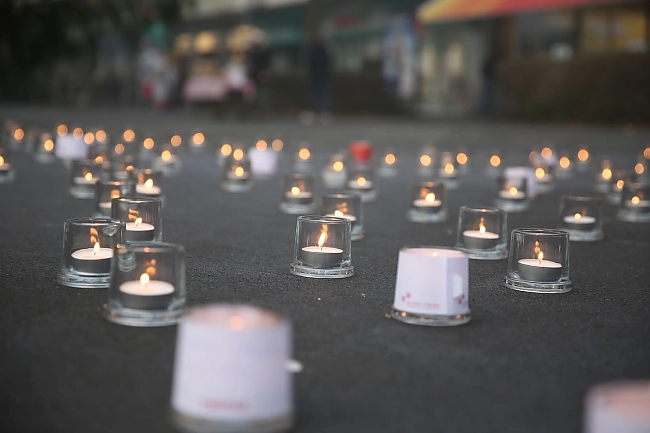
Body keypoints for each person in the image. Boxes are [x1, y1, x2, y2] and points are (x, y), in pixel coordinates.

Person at [301, 37, 332, 125]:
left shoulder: (313, 50)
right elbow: (328, 61)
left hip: (316, 75)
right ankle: (324, 113)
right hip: (322, 75)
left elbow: (310, 63)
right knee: (322, 93)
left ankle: (313, 112)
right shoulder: (324, 50)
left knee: (314, 93)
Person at [247, 37, 271, 117]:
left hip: (261, 75)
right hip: (254, 76)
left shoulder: (263, 52)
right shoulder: (252, 53)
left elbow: (265, 65)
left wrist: (264, 72)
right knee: (252, 94)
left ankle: (262, 111)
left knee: (262, 94)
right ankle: (253, 111)